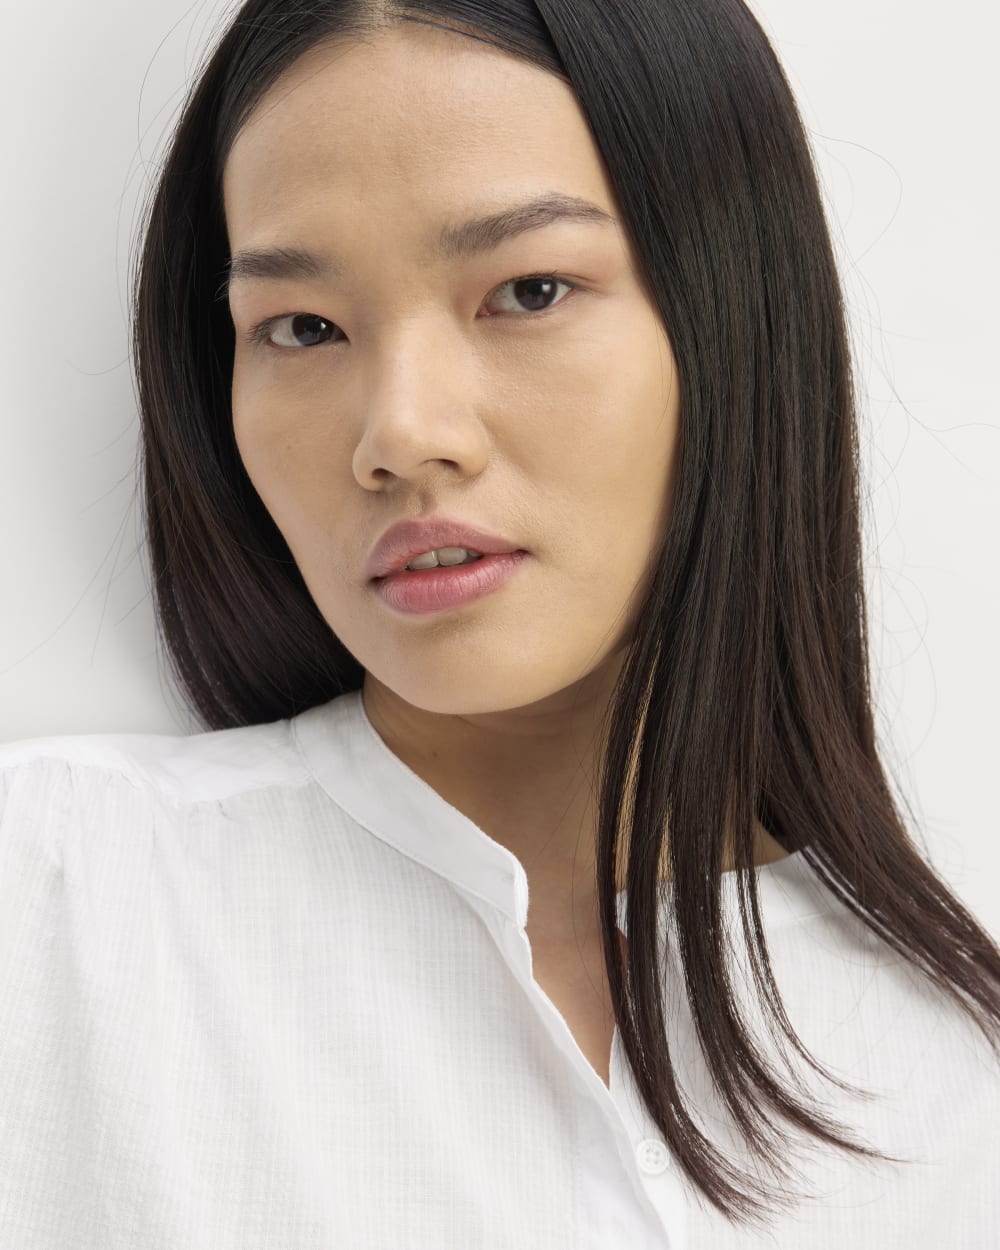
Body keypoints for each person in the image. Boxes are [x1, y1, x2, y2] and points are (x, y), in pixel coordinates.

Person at [1, 1, 998, 1245]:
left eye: (528, 290)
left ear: (735, 321)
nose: (401, 433)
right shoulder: (52, 898)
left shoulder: (955, 1080)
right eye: (302, 327)